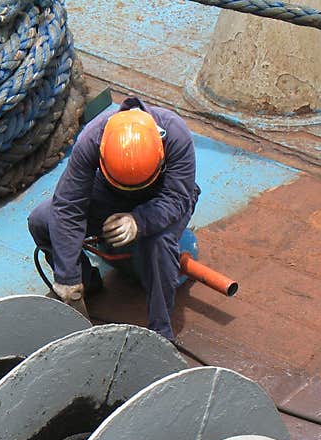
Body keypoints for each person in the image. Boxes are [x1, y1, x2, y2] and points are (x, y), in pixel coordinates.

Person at [28, 96, 200, 341]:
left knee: (158, 244)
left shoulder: (176, 134)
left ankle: (161, 332)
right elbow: (68, 207)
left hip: (162, 199)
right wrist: (67, 277)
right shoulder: (92, 138)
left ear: (160, 153)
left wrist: (139, 221)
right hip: (109, 193)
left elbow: (177, 198)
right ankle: (86, 282)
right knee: (41, 219)